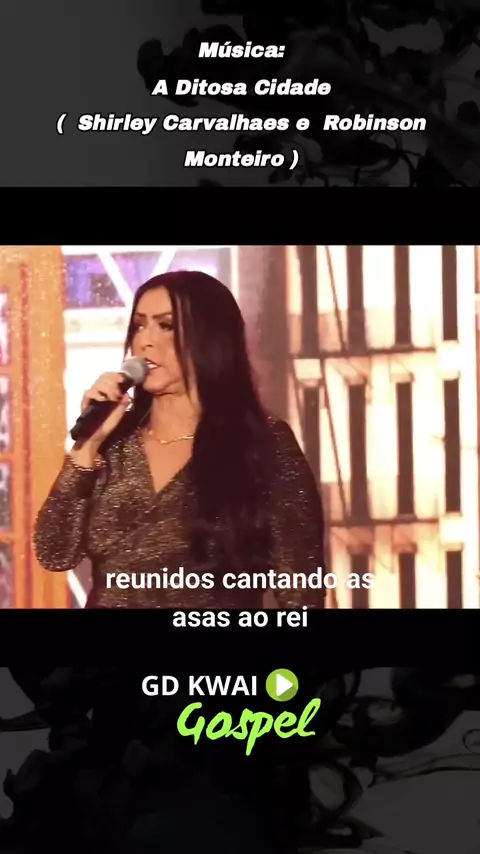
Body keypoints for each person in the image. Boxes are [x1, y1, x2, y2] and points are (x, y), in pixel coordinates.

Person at [34, 271, 326, 609]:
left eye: (166, 326)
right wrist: (87, 447)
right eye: (139, 326)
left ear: (210, 338)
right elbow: (54, 552)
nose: (145, 341)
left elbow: (301, 593)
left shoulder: (263, 444)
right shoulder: (113, 444)